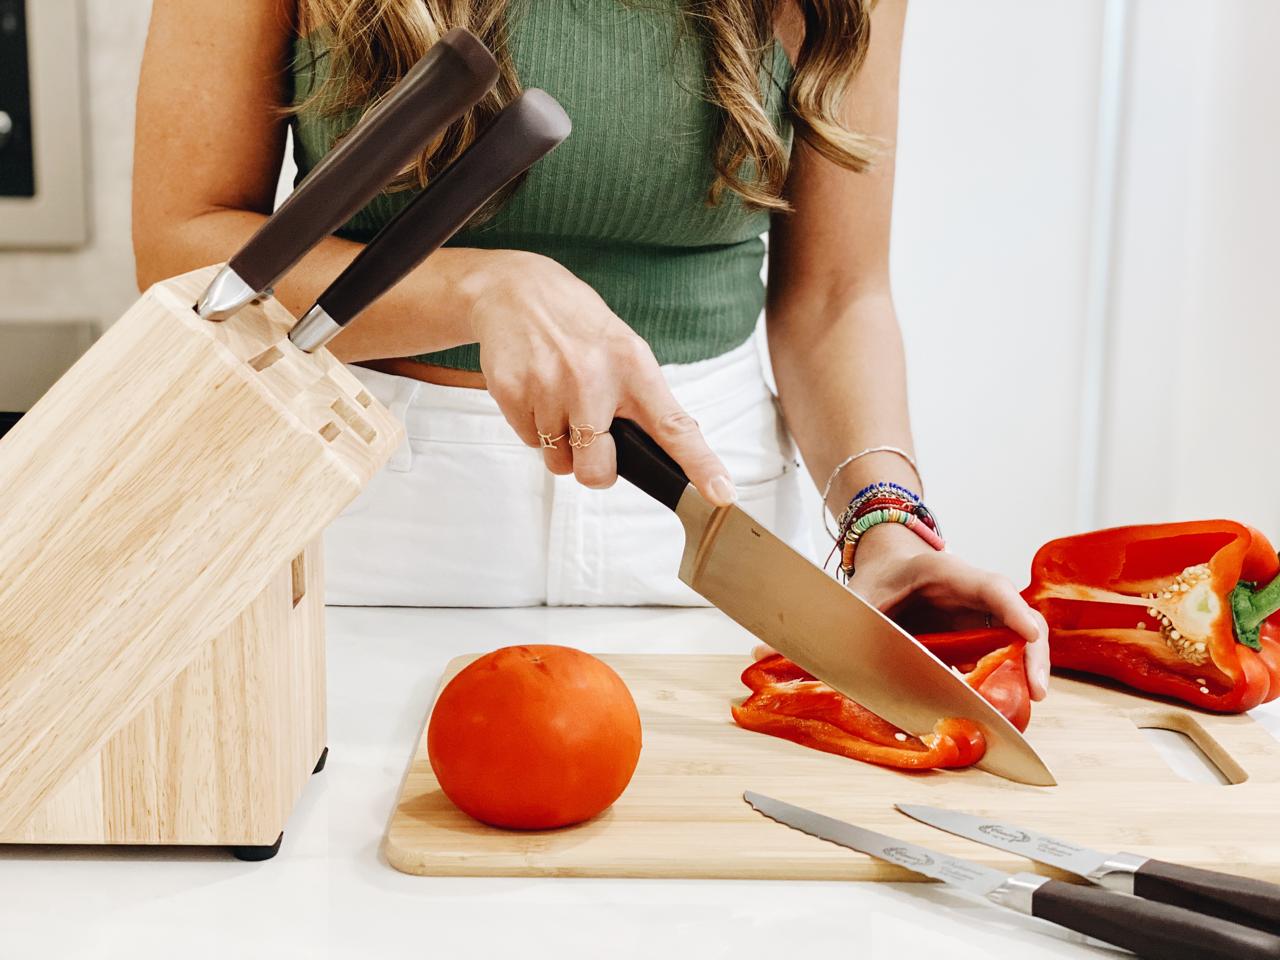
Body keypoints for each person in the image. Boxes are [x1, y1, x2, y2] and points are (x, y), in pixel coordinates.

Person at [133, 0, 1050, 699]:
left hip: (708, 526)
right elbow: (181, 244)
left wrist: (882, 528)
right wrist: (478, 287)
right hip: (368, 524)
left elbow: (835, 299)